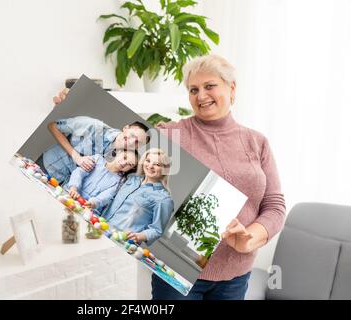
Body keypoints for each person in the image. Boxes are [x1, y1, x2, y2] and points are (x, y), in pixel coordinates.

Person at [52, 54, 286, 300]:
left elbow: (274, 206)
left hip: (237, 275)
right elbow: (111, 142)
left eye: (209, 86)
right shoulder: (172, 134)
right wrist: (70, 106)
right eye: (193, 89)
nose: (201, 96)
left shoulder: (257, 142)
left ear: (232, 88)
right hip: (177, 275)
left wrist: (251, 239)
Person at [35, 116, 149, 186]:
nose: (131, 141)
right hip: (48, 167)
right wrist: (76, 157)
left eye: (137, 142)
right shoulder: (93, 125)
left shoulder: (121, 160)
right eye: (132, 135)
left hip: (66, 186)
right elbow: (53, 126)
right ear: (126, 128)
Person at [101, 148, 174, 246]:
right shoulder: (132, 179)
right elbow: (110, 198)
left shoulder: (164, 199)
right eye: (148, 161)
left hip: (120, 241)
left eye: (157, 164)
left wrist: (139, 236)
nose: (150, 166)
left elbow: (157, 230)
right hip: (100, 226)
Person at [65, 149, 139, 213]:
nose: (124, 163)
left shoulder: (120, 181)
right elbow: (79, 172)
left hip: (87, 207)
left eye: (129, 164)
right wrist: (73, 188)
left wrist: (93, 203)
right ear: (119, 152)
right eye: (125, 157)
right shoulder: (97, 159)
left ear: (131, 169)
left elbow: (106, 196)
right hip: (71, 193)